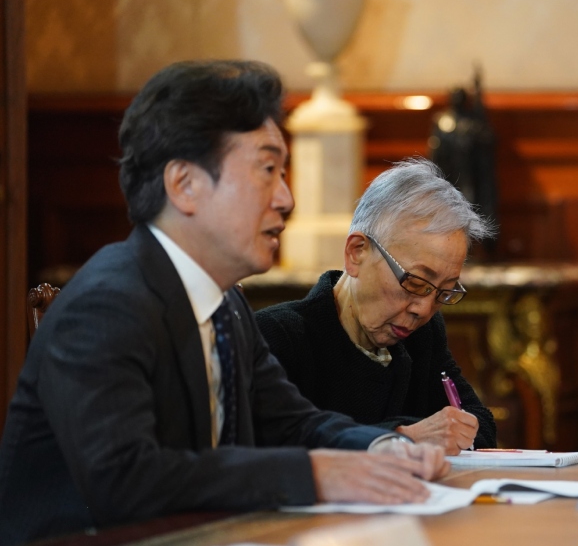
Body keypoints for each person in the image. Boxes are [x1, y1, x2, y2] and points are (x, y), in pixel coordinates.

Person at [0, 60, 448, 546]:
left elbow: (292, 423)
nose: (286, 197)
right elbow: (124, 481)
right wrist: (314, 475)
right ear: (185, 185)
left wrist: (384, 447)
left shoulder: (225, 303)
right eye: (267, 169)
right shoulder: (108, 304)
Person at [256, 158, 497, 454]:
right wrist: (400, 436)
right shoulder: (278, 336)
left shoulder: (424, 335)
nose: (423, 309)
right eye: (416, 282)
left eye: (444, 293)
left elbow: (479, 424)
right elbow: (272, 450)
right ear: (357, 252)